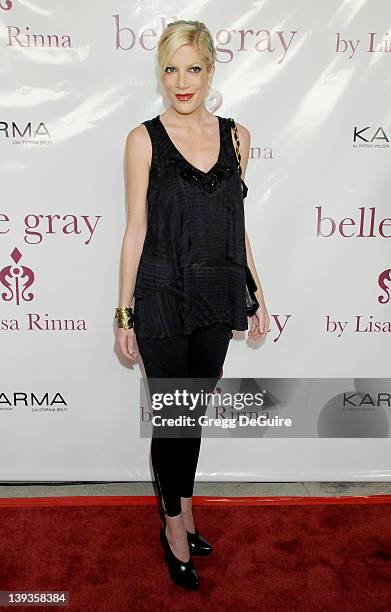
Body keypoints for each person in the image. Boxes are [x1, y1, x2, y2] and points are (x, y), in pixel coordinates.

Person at [115, 19, 270, 590]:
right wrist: (124, 312)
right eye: (171, 69)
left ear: (211, 70)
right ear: (160, 73)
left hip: (215, 291)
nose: (183, 82)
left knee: (193, 414)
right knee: (174, 416)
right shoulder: (142, 139)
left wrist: (256, 291)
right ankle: (174, 526)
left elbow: (238, 223)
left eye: (194, 69)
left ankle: (185, 508)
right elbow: (134, 232)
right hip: (159, 294)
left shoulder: (236, 138)